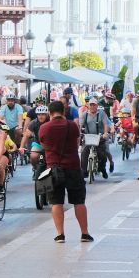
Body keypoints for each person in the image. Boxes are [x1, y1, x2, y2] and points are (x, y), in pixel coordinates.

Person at [39, 100, 93, 243]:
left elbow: (43, 145)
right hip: (73, 167)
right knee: (79, 201)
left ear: (49, 113)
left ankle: (60, 235)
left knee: (56, 202)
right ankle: (85, 233)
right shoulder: (72, 126)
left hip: (53, 169)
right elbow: (76, 143)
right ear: (63, 111)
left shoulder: (44, 128)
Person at [79, 96, 114, 179]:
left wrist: (105, 133)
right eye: (91, 105)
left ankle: (103, 169)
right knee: (84, 152)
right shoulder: (85, 114)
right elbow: (80, 125)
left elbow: (106, 124)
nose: (92, 106)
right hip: (88, 137)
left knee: (103, 153)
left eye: (94, 105)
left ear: (97, 105)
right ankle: (84, 171)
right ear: (88, 105)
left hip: (100, 137)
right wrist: (79, 133)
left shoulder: (101, 113)